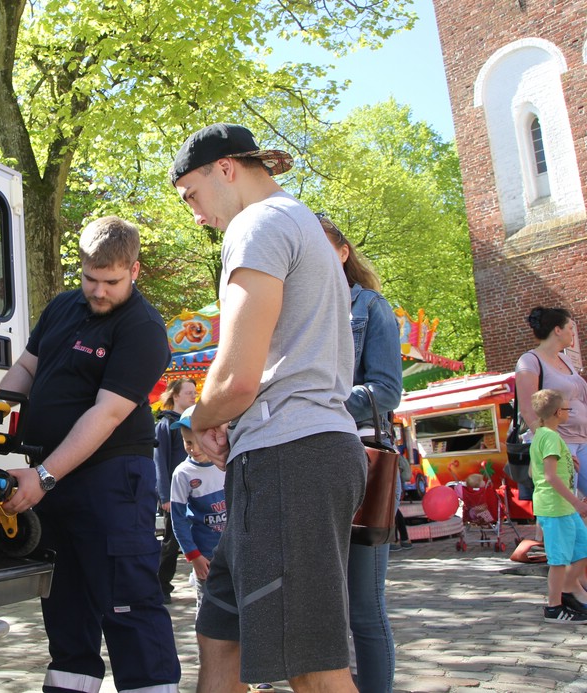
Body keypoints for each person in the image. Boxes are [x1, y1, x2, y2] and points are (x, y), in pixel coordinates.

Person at [171, 123, 365, 692]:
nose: (195, 214)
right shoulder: (296, 220)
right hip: (289, 456)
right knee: (220, 636)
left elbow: (234, 379)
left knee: (313, 672)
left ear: (225, 169)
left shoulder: (257, 224)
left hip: (290, 458)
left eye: (192, 195)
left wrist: (194, 422)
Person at [0, 216, 181, 692]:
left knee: (127, 602)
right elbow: (26, 366)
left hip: (111, 480)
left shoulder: (143, 328)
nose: (98, 292)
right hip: (54, 480)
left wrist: (42, 476)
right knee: (65, 606)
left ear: (134, 271)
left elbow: (106, 416)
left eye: (111, 282)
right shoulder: (62, 307)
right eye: (90, 279)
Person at [320, 213, 403, 692]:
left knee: (365, 608)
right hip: (309, 463)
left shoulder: (368, 307)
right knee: (323, 608)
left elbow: (386, 392)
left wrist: (317, 401)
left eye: (323, 249)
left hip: (363, 458)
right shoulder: (292, 306)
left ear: (344, 252)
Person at [528, 389, 587, 622]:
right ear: (556, 412)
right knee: (559, 560)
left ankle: (570, 590)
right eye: (566, 409)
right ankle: (554, 606)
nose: (568, 412)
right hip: (556, 507)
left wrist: (569, 464)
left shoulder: (542, 434)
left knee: (582, 548)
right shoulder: (550, 437)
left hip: (564, 508)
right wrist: (577, 503)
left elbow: (536, 470)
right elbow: (550, 477)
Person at [515, 307, 587, 496]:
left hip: (582, 439)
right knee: (562, 504)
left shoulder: (565, 359)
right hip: (561, 441)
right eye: (570, 327)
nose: (573, 333)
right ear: (557, 330)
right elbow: (528, 409)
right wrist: (555, 446)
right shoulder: (529, 361)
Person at [168, 404, 227, 612]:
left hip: (232, 549)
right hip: (205, 554)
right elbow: (178, 518)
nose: (193, 448)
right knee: (207, 609)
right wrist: (193, 556)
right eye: (187, 442)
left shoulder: (227, 462)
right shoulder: (183, 474)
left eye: (197, 441)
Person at [156, 378, 199, 603]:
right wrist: (165, 495)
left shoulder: (193, 423)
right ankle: (161, 585)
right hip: (175, 494)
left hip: (196, 491)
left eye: (194, 392)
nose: (193, 396)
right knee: (172, 543)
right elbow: (159, 461)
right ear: (175, 396)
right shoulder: (165, 424)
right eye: (188, 393)